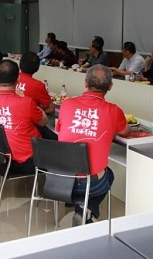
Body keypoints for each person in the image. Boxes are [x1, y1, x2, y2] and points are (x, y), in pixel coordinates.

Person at [56, 65, 130, 225]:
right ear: (110, 86)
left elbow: (60, 129)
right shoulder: (113, 110)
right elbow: (125, 131)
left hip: (58, 181)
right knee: (109, 174)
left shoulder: (66, 104)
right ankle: (87, 209)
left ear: (85, 83)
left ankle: (79, 205)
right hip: (91, 184)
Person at [0, 60, 48, 174]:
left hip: (1, 159)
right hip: (31, 161)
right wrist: (24, 97)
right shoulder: (26, 102)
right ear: (18, 79)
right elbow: (44, 121)